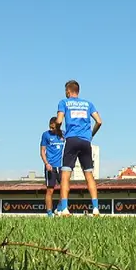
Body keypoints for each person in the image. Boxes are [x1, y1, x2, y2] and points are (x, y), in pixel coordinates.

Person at [54, 80, 103, 217]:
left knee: (65, 175)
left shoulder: (64, 102)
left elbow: (59, 121)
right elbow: (99, 121)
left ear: (68, 91)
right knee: (89, 175)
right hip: (85, 141)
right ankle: (95, 209)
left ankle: (64, 209)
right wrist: (91, 135)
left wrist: (58, 130)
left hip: (71, 140)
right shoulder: (88, 104)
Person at [39, 116, 65, 217]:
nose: (51, 129)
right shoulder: (45, 135)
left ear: (58, 127)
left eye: (53, 128)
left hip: (61, 167)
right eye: (50, 127)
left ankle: (59, 208)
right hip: (50, 166)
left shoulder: (64, 134)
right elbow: (42, 151)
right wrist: (46, 163)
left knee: (65, 188)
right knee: (50, 190)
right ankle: (49, 213)